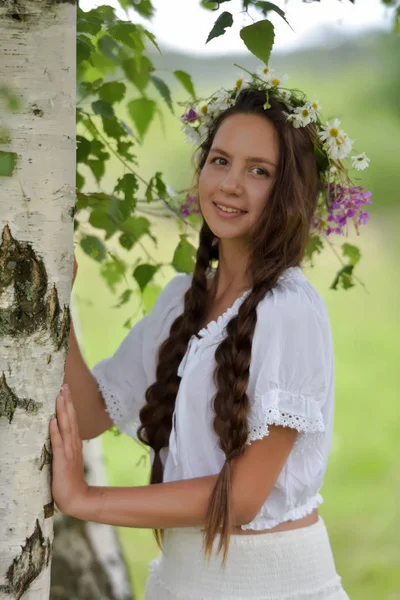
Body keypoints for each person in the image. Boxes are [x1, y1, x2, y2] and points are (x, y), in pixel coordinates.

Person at [52, 67, 372, 599]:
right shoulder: (182, 299)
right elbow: (89, 414)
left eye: (259, 170)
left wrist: (86, 499)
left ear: (290, 190)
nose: (229, 183)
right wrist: (53, 302)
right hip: (182, 583)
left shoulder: (289, 309)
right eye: (220, 160)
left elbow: (242, 498)